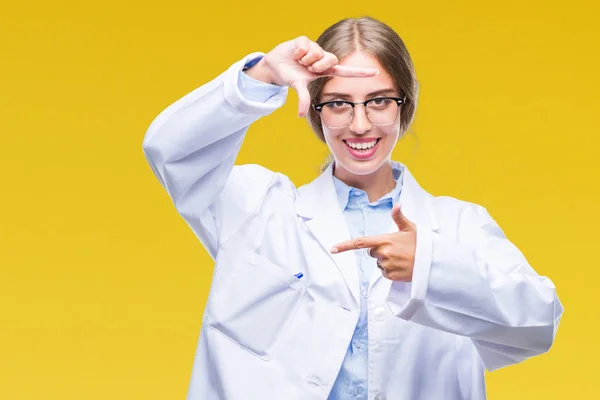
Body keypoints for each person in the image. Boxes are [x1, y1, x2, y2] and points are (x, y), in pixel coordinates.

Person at [142, 16, 563, 400]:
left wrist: (432, 267)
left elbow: (538, 325)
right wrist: (263, 75)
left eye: (379, 101)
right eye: (340, 103)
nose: (360, 125)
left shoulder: (458, 226)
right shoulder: (257, 208)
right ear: (316, 110)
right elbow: (171, 151)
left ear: (404, 104)